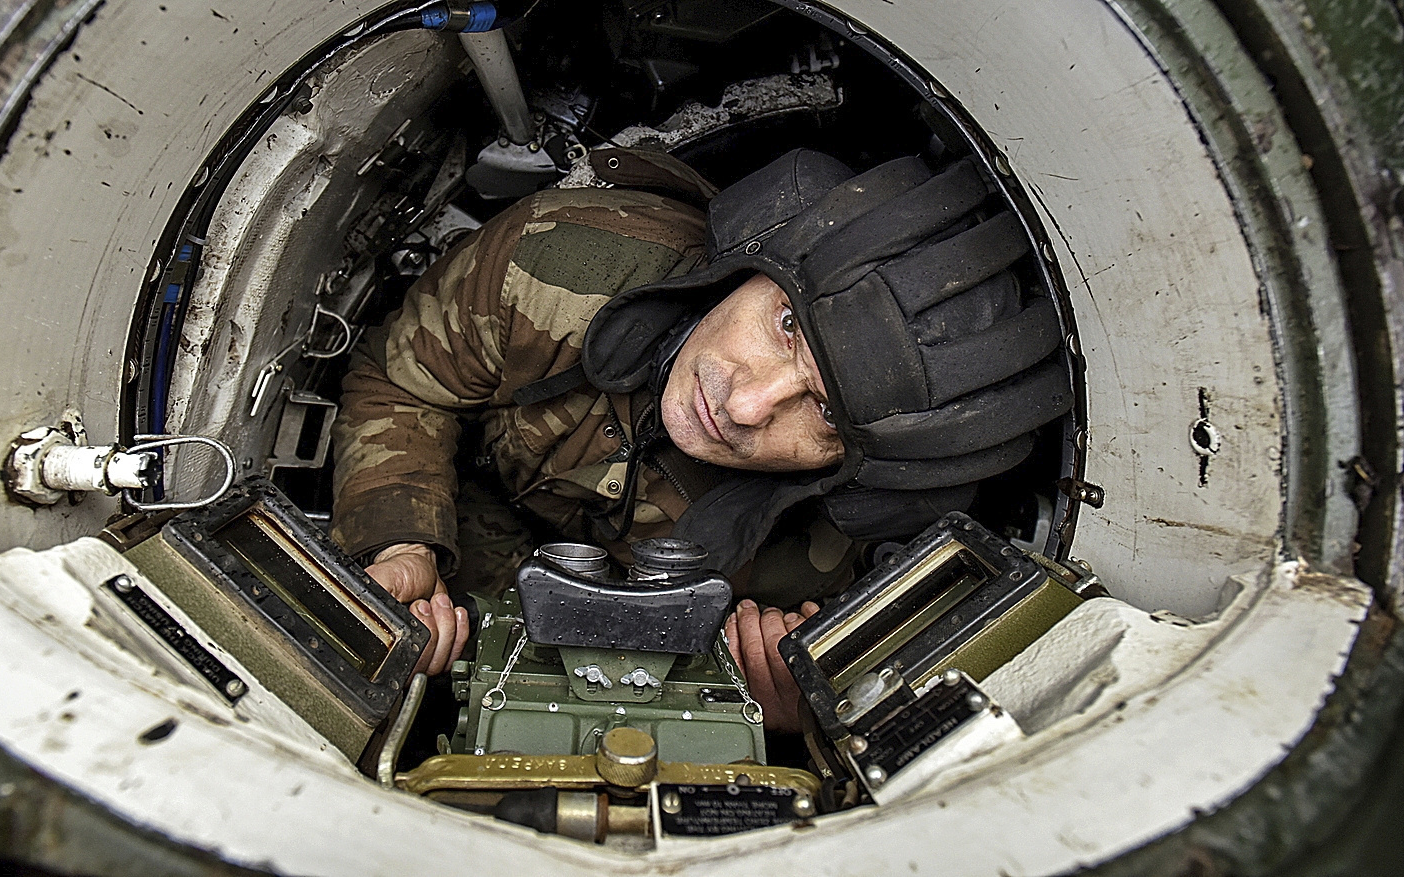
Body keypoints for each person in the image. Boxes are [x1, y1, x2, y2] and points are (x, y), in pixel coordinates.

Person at [330, 147, 1071, 732]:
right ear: (754, 264)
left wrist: (796, 703)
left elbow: (864, 697)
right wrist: (399, 545)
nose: (745, 404)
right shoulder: (552, 263)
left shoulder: (832, 569)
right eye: (786, 325)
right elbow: (401, 385)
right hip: (462, 515)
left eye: (825, 415)